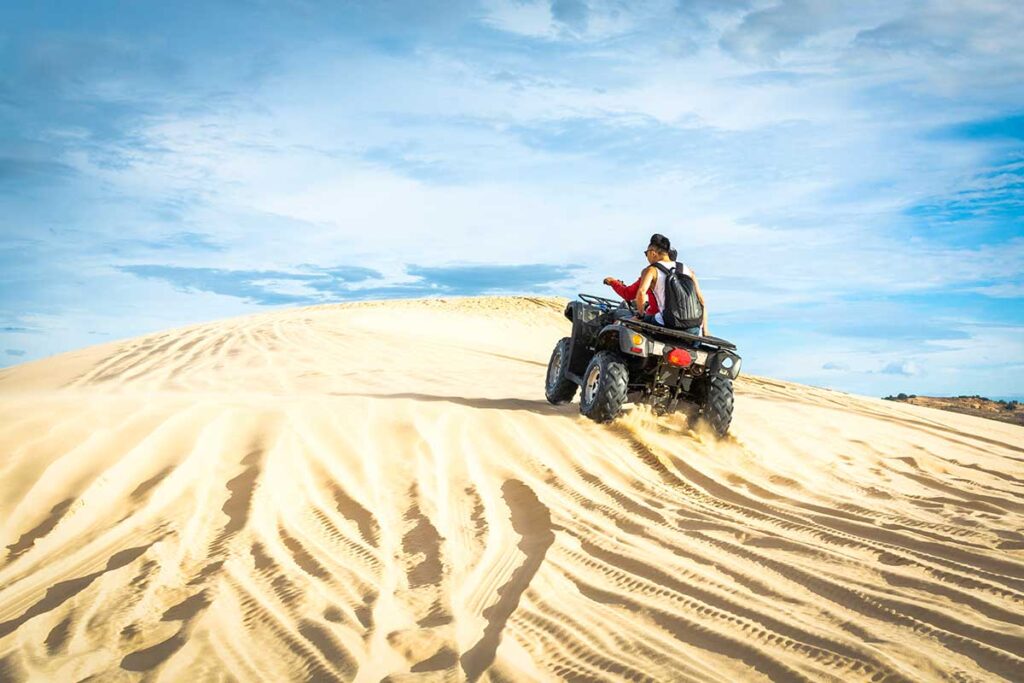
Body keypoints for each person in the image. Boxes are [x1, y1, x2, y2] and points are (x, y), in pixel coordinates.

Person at [635, 235, 708, 336]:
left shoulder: (651, 270)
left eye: (646, 253)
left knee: (635, 321)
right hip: (693, 327)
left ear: (653, 253)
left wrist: (640, 315)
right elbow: (701, 300)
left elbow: (642, 292)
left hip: (669, 323)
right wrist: (705, 331)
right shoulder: (687, 269)